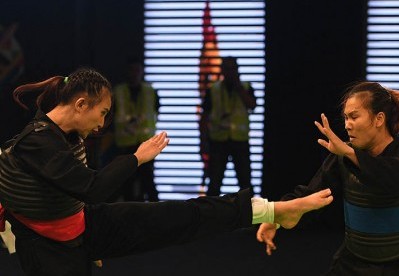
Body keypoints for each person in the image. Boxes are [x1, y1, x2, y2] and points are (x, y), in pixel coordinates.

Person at [0, 67, 334, 276]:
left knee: (178, 216)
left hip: (82, 228)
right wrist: (137, 158)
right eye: (101, 113)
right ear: (81, 105)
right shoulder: (36, 142)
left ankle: (272, 210)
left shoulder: (66, 134)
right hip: (50, 249)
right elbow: (92, 188)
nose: (102, 124)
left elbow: (74, 195)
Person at [256, 82, 399, 275]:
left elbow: (393, 180)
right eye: (346, 118)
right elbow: (312, 195)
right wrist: (277, 216)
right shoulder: (344, 156)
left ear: (379, 119)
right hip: (354, 262)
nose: (347, 125)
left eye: (354, 117)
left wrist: (349, 153)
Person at [201, 56, 256, 196]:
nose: (230, 72)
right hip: (218, 141)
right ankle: (210, 215)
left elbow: (252, 105)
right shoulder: (213, 89)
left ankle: (250, 215)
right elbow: (204, 117)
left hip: (240, 140)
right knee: (214, 182)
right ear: (222, 70)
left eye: (233, 69)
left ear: (238, 70)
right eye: (227, 68)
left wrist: (239, 87)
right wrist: (203, 140)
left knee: (245, 182)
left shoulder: (246, 87)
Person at [112, 57, 160, 201]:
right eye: (131, 70)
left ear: (142, 72)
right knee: (127, 184)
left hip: (146, 144)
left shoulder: (150, 91)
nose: (134, 74)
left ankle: (156, 214)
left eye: (137, 70)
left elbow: (155, 113)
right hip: (125, 145)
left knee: (148, 182)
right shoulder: (117, 92)